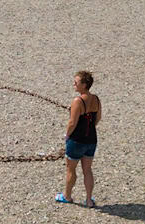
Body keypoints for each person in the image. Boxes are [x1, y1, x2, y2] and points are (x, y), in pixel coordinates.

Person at [55, 70, 101, 208]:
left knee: (71, 169)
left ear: (84, 84)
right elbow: (97, 118)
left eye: (76, 82)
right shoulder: (96, 99)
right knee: (87, 170)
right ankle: (88, 200)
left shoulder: (78, 101)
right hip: (91, 140)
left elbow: (72, 122)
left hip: (77, 140)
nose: (74, 84)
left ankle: (67, 196)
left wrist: (67, 135)